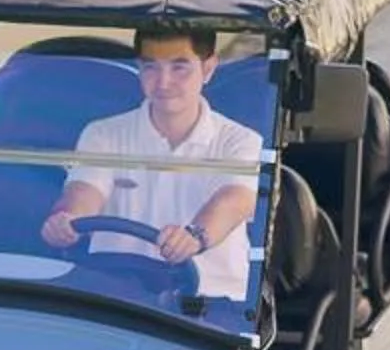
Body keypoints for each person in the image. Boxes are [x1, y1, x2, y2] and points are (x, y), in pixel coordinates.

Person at [39, 25, 263, 301]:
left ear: (208, 69)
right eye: (151, 68)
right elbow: (84, 192)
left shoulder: (242, 141)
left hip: (211, 303)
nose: (163, 83)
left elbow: (233, 201)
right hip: (116, 297)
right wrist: (66, 220)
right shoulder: (103, 134)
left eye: (179, 68)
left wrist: (195, 237)